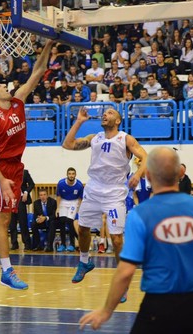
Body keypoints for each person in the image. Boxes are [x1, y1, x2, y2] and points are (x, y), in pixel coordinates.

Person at [79, 147, 193, 333]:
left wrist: (106, 310)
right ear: (180, 173)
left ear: (148, 175)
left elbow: (125, 272)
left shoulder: (140, 215)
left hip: (158, 306)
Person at [0, 40, 54, 292]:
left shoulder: (18, 101)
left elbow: (38, 72)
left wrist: (48, 44)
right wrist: (1, 179)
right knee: (3, 221)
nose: (3, 85)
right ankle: (7, 270)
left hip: (16, 168)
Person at [62, 108, 147, 292]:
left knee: (116, 239)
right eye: (104, 112)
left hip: (115, 193)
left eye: (110, 112)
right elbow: (67, 144)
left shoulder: (125, 139)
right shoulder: (95, 137)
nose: (105, 114)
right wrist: (79, 122)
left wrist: (138, 174)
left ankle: (122, 281)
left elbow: (146, 157)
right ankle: (84, 262)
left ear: (117, 120)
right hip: (93, 190)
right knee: (83, 228)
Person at [55, 167, 84, 252]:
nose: (71, 175)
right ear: (67, 175)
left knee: (70, 221)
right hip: (63, 201)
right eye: (70, 174)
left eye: (73, 174)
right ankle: (63, 244)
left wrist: (79, 208)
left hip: (74, 202)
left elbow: (80, 198)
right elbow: (58, 196)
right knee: (62, 221)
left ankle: (72, 244)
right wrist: (57, 208)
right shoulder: (61, 183)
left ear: (75, 175)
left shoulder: (79, 185)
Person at [10, 169, 35, 251]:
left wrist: (26, 192)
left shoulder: (24, 172)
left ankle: (27, 244)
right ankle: (14, 243)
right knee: (12, 222)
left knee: (23, 222)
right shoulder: (6, 171)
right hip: (10, 198)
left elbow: (32, 184)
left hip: (21, 199)